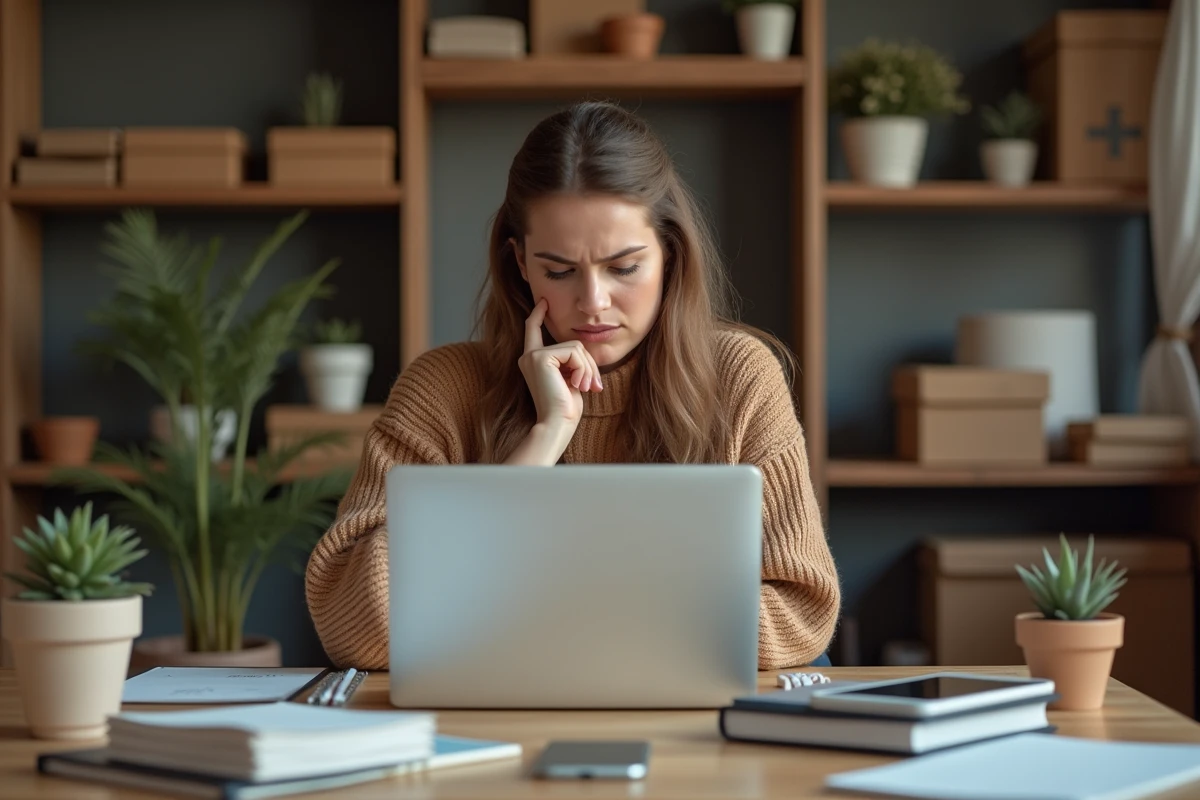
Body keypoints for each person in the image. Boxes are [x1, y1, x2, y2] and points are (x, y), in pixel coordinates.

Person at [305, 101, 841, 672]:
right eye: (559, 271)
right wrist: (542, 441)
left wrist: (504, 609)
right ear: (519, 263)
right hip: (500, 716)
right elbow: (358, 624)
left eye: (625, 267)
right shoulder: (443, 387)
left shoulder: (739, 376)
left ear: (670, 254)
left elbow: (801, 614)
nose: (593, 303)